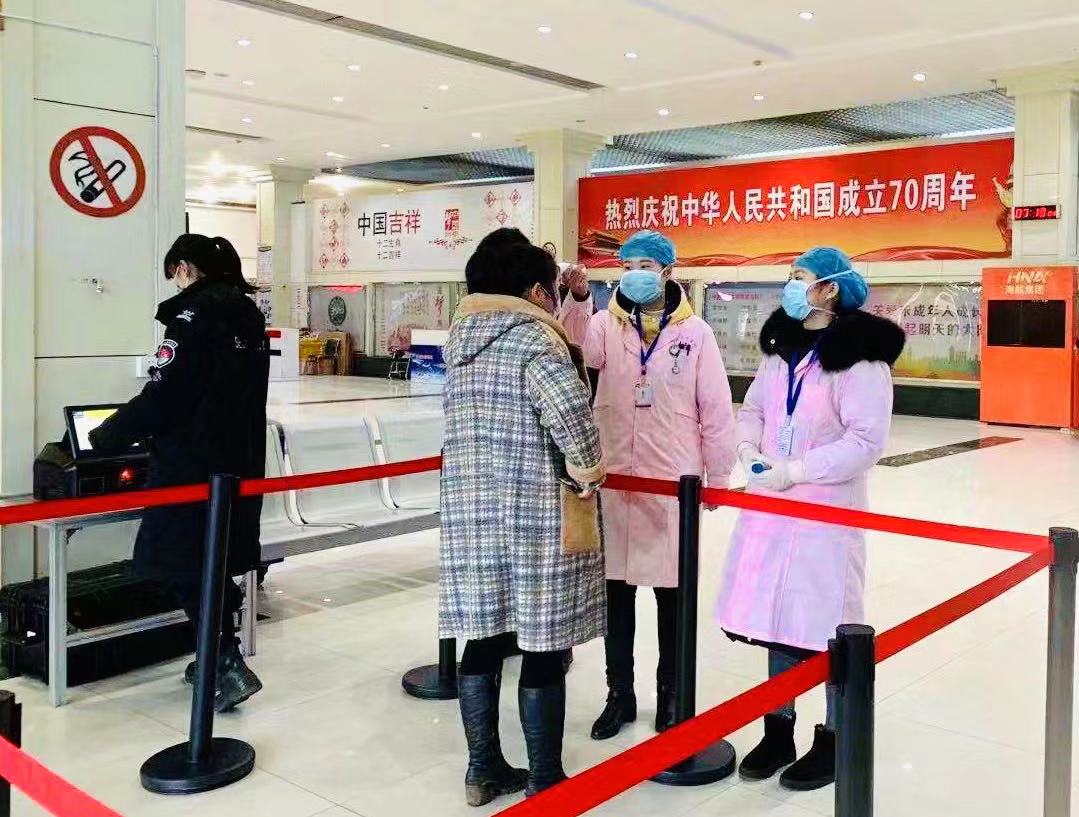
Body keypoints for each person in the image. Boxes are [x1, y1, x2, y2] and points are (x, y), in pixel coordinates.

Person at [716, 246, 904, 791]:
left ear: (830, 288)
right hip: (773, 508)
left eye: (800, 277)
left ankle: (834, 738)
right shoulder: (782, 350)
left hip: (825, 513)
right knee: (778, 622)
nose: (791, 285)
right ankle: (778, 729)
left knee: (826, 626)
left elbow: (865, 441)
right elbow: (754, 408)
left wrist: (797, 469)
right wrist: (749, 446)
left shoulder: (862, 360)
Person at [441, 239, 606, 805]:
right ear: (537, 292)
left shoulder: (460, 343)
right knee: (542, 643)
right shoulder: (535, 339)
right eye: (554, 290)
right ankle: (545, 778)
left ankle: (482, 769)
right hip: (533, 513)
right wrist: (588, 471)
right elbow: (571, 418)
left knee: (484, 635)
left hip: (471, 514)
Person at [90, 234, 269, 714]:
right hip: (240, 463)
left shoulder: (191, 316)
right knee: (214, 559)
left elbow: (166, 394)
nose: (174, 282)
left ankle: (225, 663)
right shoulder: (249, 316)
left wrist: (108, 435)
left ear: (185, 268)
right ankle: (214, 655)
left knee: (180, 561)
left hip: (191, 467)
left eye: (174, 273)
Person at [572, 229, 736, 740]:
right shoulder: (604, 324)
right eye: (627, 266)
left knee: (671, 598)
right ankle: (619, 695)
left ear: (667, 272)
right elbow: (576, 352)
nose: (635, 275)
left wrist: (719, 474)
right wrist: (578, 299)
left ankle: (671, 696)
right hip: (617, 480)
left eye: (645, 265)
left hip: (671, 485)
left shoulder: (695, 334)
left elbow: (716, 407)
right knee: (616, 598)